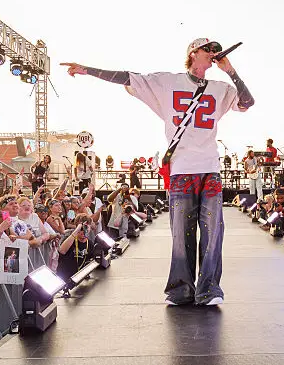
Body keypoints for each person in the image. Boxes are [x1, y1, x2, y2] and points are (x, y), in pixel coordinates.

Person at [61, 37, 254, 306]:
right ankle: (180, 290)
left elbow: (248, 102)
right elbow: (127, 77)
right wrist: (87, 70)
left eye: (214, 50)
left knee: (213, 232)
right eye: (207, 49)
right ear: (193, 52)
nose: (213, 53)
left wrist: (230, 70)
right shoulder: (168, 82)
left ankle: (209, 289)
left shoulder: (221, 87)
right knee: (181, 232)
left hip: (210, 168)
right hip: (181, 170)